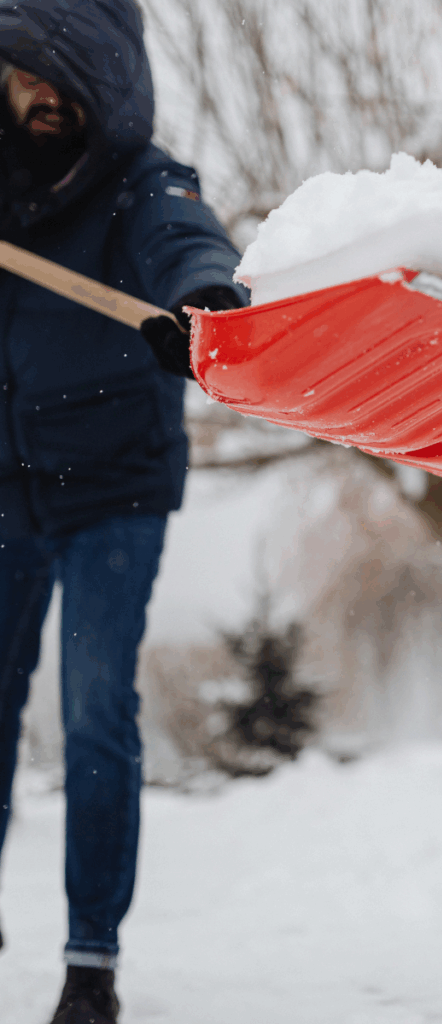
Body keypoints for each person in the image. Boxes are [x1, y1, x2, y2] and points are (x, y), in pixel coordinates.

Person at [0, 1, 248, 1021]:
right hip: (7, 479)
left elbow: (185, 237)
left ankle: (89, 961)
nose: (33, 99)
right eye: (14, 80)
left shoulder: (140, 176)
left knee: (99, 707)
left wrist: (203, 301)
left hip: (114, 480)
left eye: (51, 82)